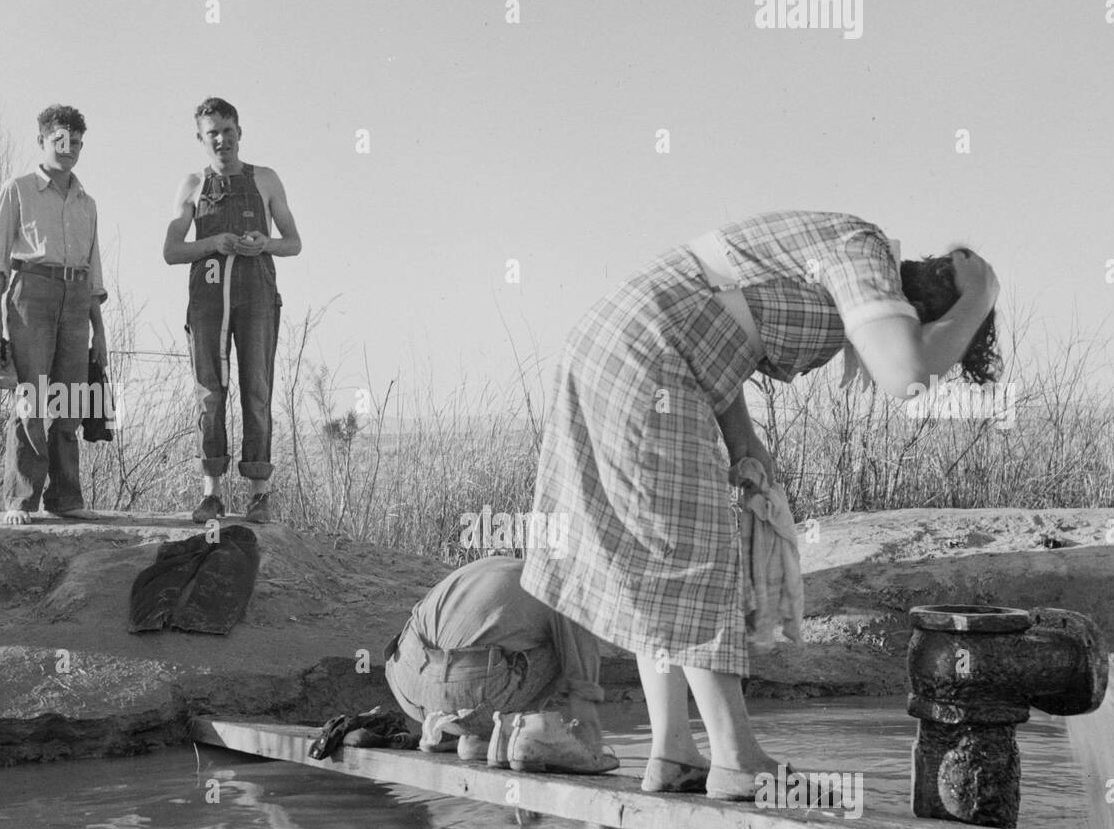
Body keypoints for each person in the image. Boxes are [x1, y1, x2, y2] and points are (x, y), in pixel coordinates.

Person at [522, 211, 1000, 799]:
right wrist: (983, 294)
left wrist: (742, 437)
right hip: (650, 359)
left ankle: (673, 751)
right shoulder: (863, 250)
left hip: (636, 350)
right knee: (696, 560)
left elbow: (721, 320)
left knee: (662, 557)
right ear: (924, 313)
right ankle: (736, 758)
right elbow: (908, 375)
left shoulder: (846, 262)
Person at [163, 97, 302, 525]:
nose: (221, 139)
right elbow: (171, 250)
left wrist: (265, 242)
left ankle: (260, 493)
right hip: (208, 300)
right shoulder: (192, 185)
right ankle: (212, 493)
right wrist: (214, 242)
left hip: (257, 294)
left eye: (227, 130)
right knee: (210, 393)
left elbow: (293, 242)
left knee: (256, 390)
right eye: (212, 133)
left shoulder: (265, 179)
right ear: (200, 139)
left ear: (239, 131)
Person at [0, 104, 108, 525]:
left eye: (76, 141)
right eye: (60, 140)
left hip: (76, 298)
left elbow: (93, 276)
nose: (68, 147)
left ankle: (66, 497)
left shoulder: (87, 202)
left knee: (70, 399)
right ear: (42, 141)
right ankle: (20, 499)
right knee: (31, 398)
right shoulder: (17, 189)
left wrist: (100, 335)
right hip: (30, 291)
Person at [384, 554, 618, 774]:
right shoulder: (571, 589)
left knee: (514, 639)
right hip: (465, 690)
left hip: (407, 685)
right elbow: (583, 693)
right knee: (567, 648)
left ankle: (475, 740)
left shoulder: (500, 567)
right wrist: (591, 745)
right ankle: (519, 735)